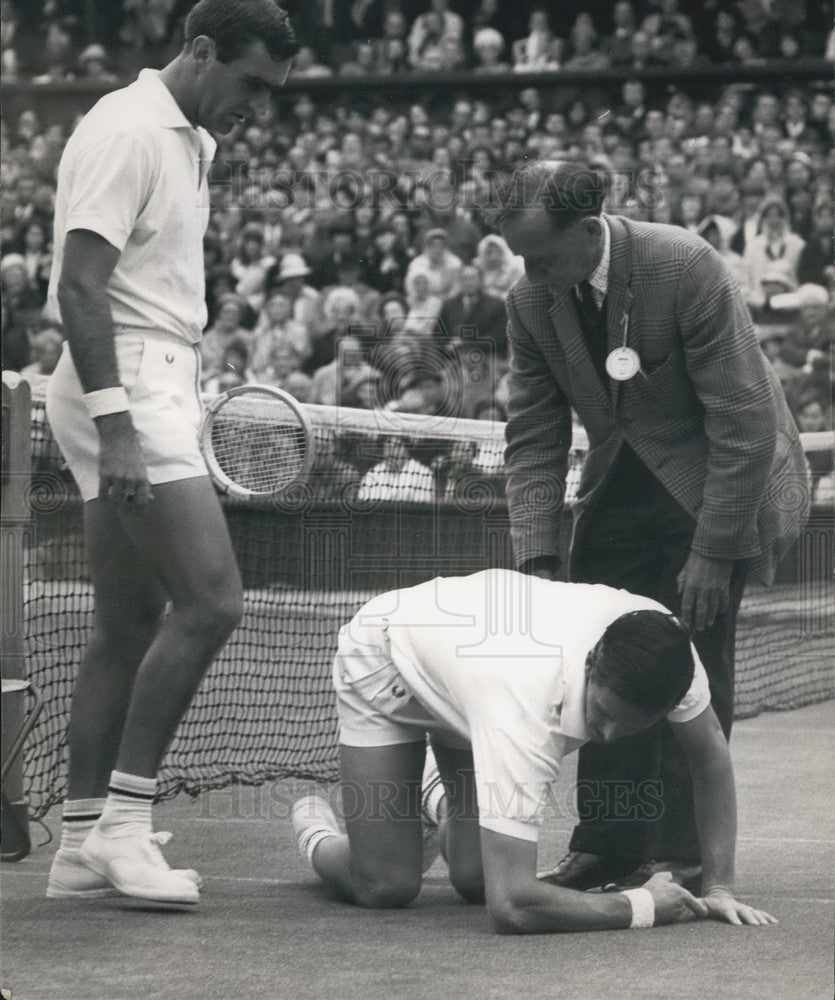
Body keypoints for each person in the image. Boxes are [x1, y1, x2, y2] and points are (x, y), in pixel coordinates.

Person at [43, 0, 299, 906]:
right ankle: (124, 823)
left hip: (156, 381)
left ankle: (77, 844)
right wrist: (119, 423)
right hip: (125, 388)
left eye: (272, 92)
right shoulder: (127, 131)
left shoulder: (194, 139)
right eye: (251, 84)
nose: (257, 106)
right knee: (212, 602)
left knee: (125, 623)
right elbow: (78, 286)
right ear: (198, 50)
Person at [494, 161, 809, 894]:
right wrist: (537, 557)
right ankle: (607, 847)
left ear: (584, 229)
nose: (527, 271)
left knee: (691, 660)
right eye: (517, 256)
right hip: (619, 483)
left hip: (721, 476)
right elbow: (533, 433)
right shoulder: (528, 299)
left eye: (539, 255)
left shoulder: (685, 265)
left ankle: (686, 854)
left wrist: (711, 550)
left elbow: (742, 421)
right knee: (600, 661)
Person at [292, 569, 776, 933]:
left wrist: (718, 886)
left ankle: (434, 794)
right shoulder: (525, 708)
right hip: (388, 660)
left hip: (475, 673)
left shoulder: (670, 657)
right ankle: (312, 819)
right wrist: (641, 906)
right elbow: (512, 906)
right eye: (601, 712)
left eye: (628, 726)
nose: (604, 735)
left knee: (474, 879)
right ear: (592, 662)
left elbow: (709, 757)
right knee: (387, 886)